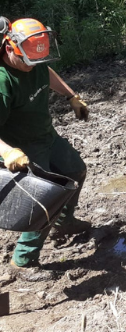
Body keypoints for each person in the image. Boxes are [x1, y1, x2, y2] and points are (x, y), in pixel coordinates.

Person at [0, 18, 90, 269]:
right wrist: (7, 152)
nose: (33, 66)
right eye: (28, 62)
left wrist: (72, 96)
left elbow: (45, 72)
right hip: (21, 150)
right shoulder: (3, 83)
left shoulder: (33, 58)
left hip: (45, 135)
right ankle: (24, 260)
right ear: (10, 48)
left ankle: (65, 224)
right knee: (44, 202)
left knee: (75, 170)